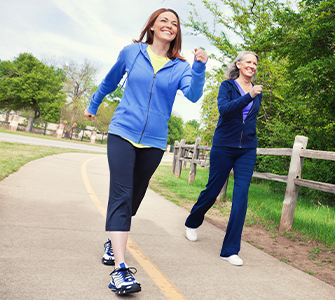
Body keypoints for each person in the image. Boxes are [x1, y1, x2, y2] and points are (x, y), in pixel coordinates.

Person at [84, 8, 208, 295]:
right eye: (163, 20)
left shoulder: (180, 67)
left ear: (177, 33)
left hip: (153, 141)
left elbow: (192, 94)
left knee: (135, 197)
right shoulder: (132, 52)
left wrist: (199, 67)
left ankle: (112, 242)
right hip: (122, 132)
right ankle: (120, 270)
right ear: (151, 26)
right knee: (121, 193)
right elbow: (110, 80)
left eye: (174, 23)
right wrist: (93, 104)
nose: (169, 25)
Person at [184, 51, 262, 266]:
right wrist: (250, 96)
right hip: (224, 146)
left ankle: (230, 250)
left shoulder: (257, 91)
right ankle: (192, 221)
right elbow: (225, 110)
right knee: (212, 190)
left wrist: (252, 141)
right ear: (238, 64)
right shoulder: (227, 87)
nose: (252, 66)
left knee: (241, 196)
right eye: (248, 62)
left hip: (247, 149)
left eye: (255, 63)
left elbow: (250, 120)